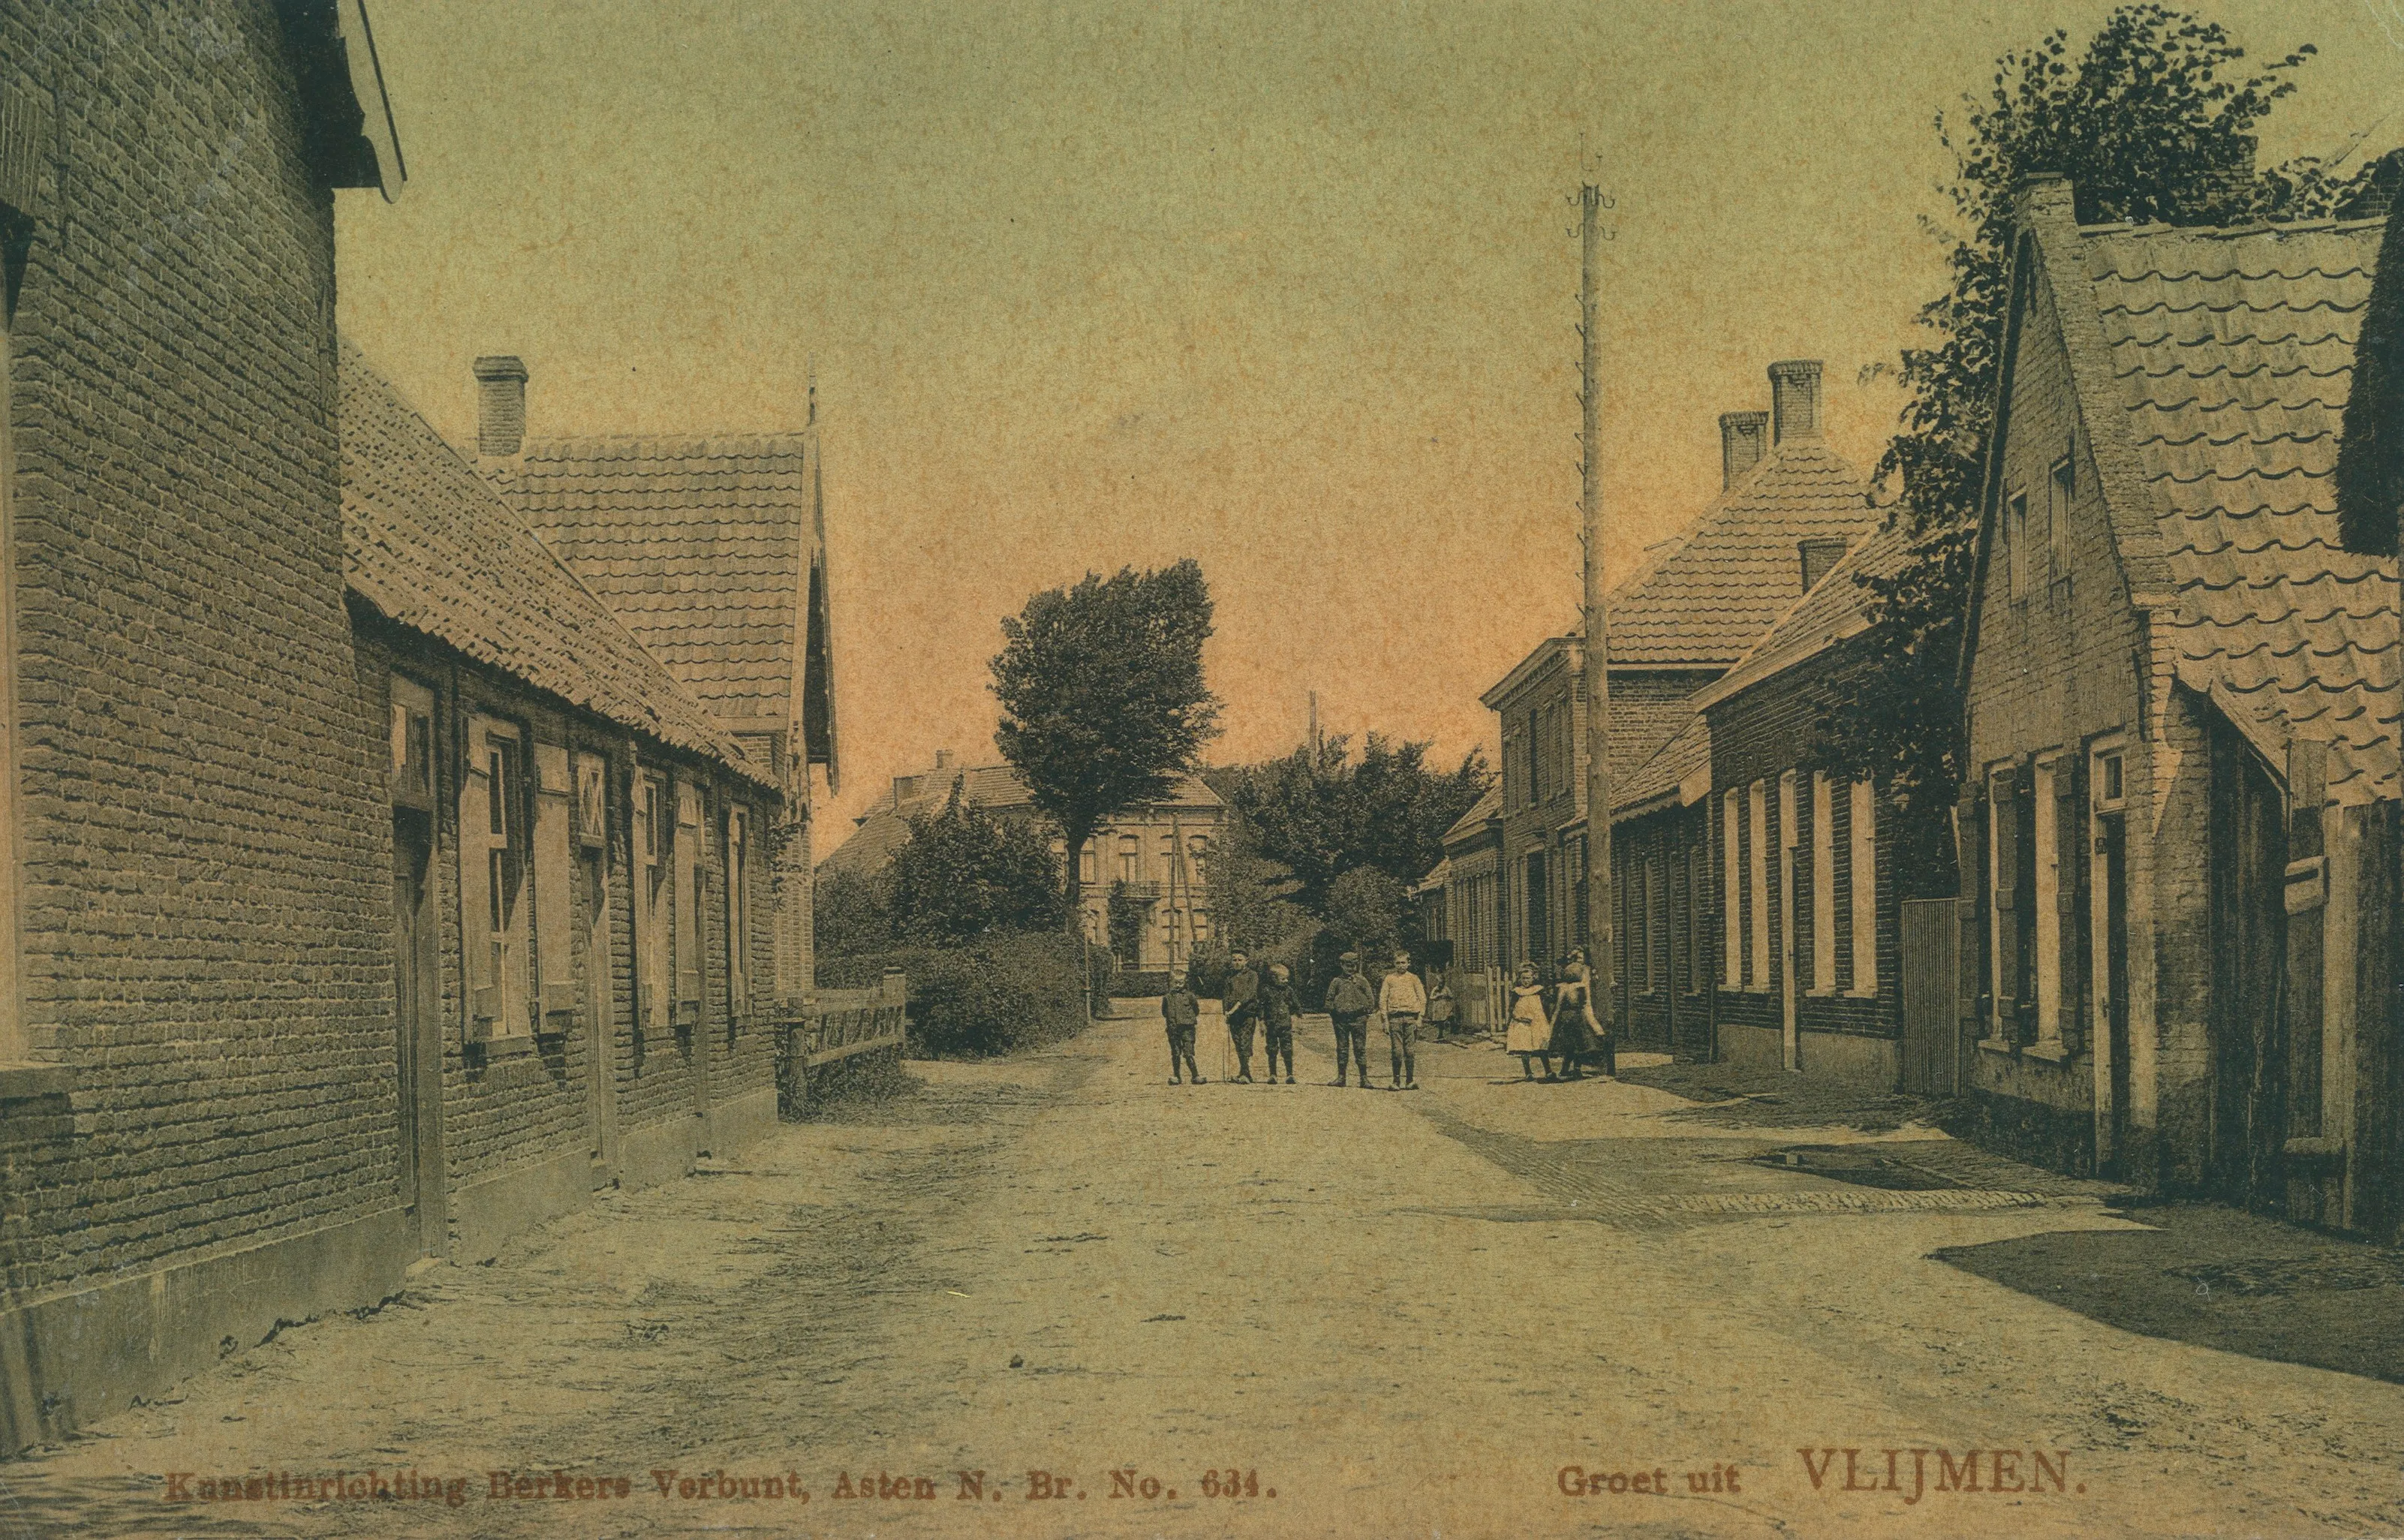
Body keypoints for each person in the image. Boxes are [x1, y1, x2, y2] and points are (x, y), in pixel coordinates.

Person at [1549, 952, 1608, 1081]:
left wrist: (1553, 1024)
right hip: (1577, 1018)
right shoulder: (1579, 987)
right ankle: (1574, 1069)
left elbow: (1558, 1007)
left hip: (1568, 1019)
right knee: (1579, 1046)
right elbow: (1584, 1004)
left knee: (1571, 1046)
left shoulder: (1563, 988)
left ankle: (1567, 1069)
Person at [1322, 951, 1377, 1088]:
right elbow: (1328, 1001)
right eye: (1348, 966)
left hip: (1358, 1020)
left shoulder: (1362, 981)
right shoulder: (1336, 982)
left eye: (1353, 966)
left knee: (1360, 1048)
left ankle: (1364, 1079)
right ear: (1342, 965)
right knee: (1342, 1048)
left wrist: (1365, 1013)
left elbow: (1370, 999)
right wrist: (1335, 1013)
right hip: (1341, 1021)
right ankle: (1341, 1078)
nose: (1351, 968)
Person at [1377, 949, 1427, 1090]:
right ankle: (1396, 1081)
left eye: (1403, 963)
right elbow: (1382, 999)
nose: (1401, 966)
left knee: (1410, 1051)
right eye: (1398, 963)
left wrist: (1420, 1018)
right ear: (1394, 963)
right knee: (1397, 1052)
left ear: (1408, 963)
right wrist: (1385, 1021)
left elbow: (1422, 998)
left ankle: (1410, 1081)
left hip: (1411, 1018)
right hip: (1395, 1019)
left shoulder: (1414, 979)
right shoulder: (1389, 979)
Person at [1503, 961, 1551, 1080]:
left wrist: (1547, 1018)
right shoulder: (1517, 992)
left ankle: (1548, 1071)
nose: (1526, 981)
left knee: (1541, 1046)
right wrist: (1515, 1017)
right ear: (1520, 979)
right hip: (1522, 1022)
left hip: (1537, 1021)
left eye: (1528, 978)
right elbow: (1511, 1007)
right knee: (1524, 1047)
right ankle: (1528, 1072)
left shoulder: (1539, 990)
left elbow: (1546, 1005)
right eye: (1523, 978)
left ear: (1533, 978)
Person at [1223, 949, 1262, 1084]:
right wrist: (1226, 1010)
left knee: (1245, 1041)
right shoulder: (1229, 977)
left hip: (1247, 1013)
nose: (1237, 963)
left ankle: (1246, 1074)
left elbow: (1250, 993)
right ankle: (1244, 1071)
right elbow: (1226, 995)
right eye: (1234, 960)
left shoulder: (1252, 975)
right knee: (1238, 1042)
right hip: (1233, 1015)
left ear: (1246, 961)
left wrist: (1238, 1005)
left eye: (1240, 960)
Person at [1258, 962, 1301, 1084]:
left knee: (1287, 1049)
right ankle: (1273, 1075)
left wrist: (1297, 1019)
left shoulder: (1289, 990)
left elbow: (1296, 1006)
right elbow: (1261, 1007)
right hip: (1271, 1025)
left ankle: (1290, 1074)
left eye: (1287, 978)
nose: (1286, 981)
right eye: (1283, 979)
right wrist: (1261, 1022)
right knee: (1272, 1050)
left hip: (1285, 1025)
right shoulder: (1266, 991)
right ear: (1273, 979)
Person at [1163, 971, 1205, 1085]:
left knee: (1188, 1052)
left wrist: (1187, 1020)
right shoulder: (1167, 998)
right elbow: (1165, 1012)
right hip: (1173, 1029)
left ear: (1185, 982)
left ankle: (1195, 1076)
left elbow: (1196, 1010)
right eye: (1175, 982)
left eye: (1180, 983)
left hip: (1187, 1029)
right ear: (1171, 982)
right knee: (1175, 1053)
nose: (1178, 985)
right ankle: (1177, 1076)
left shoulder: (1190, 996)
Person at [1425, 971, 1456, 1040]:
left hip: (1445, 1006)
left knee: (1448, 1017)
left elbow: (1451, 996)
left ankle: (1452, 1030)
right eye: (1439, 983)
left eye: (1442, 983)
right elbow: (1431, 997)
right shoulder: (1435, 989)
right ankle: (1440, 1034)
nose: (1440, 984)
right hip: (1438, 1006)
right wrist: (1436, 997)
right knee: (1439, 1020)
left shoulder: (1446, 989)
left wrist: (1446, 996)